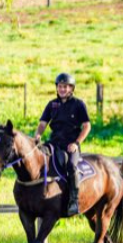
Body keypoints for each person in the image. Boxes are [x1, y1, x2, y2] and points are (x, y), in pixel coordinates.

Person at [35, 72, 91, 217]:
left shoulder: (79, 104)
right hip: (54, 143)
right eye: (60, 86)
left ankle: (74, 200)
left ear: (71, 88)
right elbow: (42, 123)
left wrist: (76, 143)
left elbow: (86, 126)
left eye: (65, 87)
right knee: (39, 159)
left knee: (72, 166)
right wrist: (38, 135)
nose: (62, 89)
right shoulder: (52, 104)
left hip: (70, 145)